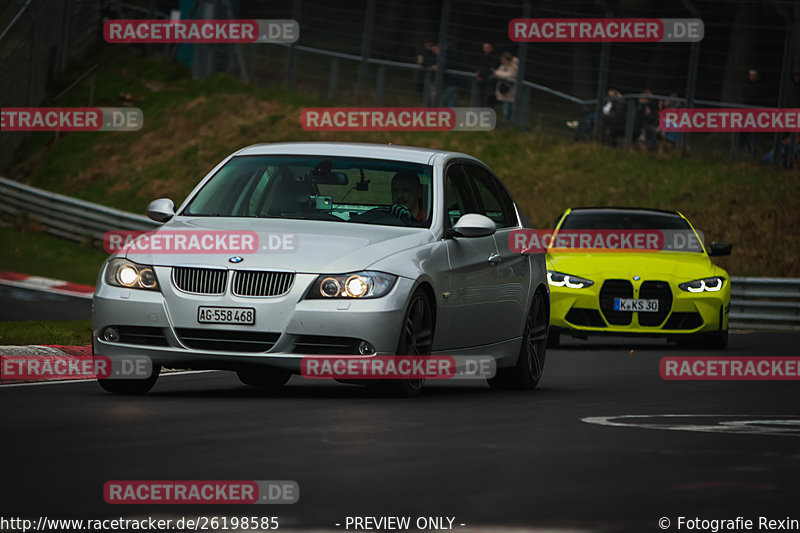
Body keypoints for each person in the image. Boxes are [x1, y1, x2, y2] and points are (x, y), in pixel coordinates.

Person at [493, 51, 519, 121]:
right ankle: (507, 122)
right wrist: (499, 73)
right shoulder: (503, 66)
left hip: (511, 91)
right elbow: (497, 72)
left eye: (503, 60)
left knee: (509, 108)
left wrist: (498, 74)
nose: (502, 61)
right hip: (504, 90)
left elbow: (510, 75)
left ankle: (510, 122)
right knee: (505, 107)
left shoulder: (514, 66)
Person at [476, 42, 499, 107]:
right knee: (482, 99)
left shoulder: (495, 57)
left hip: (491, 82)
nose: (485, 49)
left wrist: (483, 72)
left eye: (487, 48)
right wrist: (479, 74)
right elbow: (480, 68)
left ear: (492, 48)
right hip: (483, 81)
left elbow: (492, 70)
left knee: (489, 100)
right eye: (484, 47)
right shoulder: (482, 56)